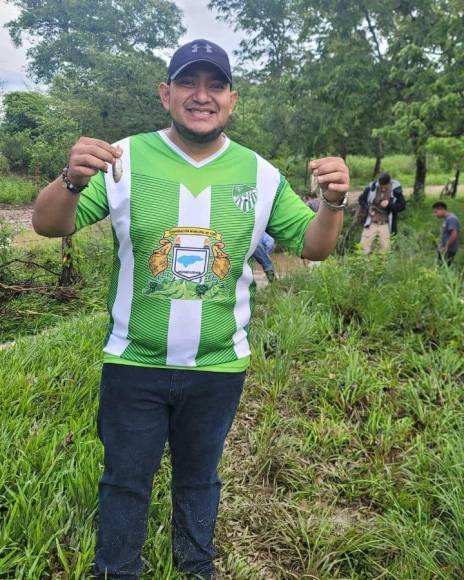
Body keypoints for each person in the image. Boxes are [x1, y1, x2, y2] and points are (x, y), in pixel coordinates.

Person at [32, 39, 350, 580]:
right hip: (133, 364)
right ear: (166, 93)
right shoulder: (122, 158)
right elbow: (47, 224)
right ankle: (115, 571)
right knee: (124, 480)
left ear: (232, 98)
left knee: (200, 479)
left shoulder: (261, 174)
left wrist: (335, 202)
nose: (201, 96)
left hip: (219, 367)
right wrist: (72, 178)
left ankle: (196, 569)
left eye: (215, 85)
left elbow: (314, 248)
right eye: (188, 83)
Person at [358, 172, 405, 254]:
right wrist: (368, 208)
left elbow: (402, 206)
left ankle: (381, 266)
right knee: (363, 250)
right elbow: (361, 200)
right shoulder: (371, 188)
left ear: (389, 184)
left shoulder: (396, 190)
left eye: (385, 187)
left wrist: (389, 204)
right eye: (380, 186)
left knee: (385, 252)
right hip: (371, 222)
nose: (382, 189)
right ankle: (363, 265)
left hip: (386, 224)